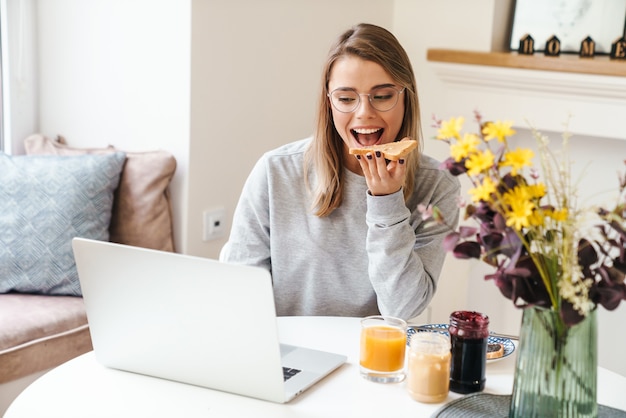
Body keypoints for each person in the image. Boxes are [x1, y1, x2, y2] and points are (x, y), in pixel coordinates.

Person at [220, 23, 460, 320]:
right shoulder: (275, 171)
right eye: (346, 98)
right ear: (329, 102)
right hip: (290, 357)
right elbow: (237, 291)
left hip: (375, 361)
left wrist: (387, 202)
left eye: (382, 96)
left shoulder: (438, 185)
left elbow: (403, 309)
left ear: (405, 97)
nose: (364, 113)